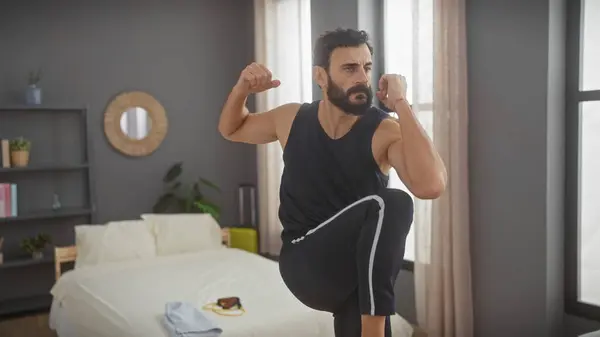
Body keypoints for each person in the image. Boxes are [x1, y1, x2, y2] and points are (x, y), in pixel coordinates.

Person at [218, 28, 446, 337]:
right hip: (304, 261)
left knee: (366, 288)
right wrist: (242, 89)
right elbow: (231, 129)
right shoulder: (291, 119)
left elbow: (430, 185)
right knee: (392, 202)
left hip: (355, 272)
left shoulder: (383, 130)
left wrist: (401, 102)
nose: (361, 78)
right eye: (349, 68)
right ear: (321, 76)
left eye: (366, 67)